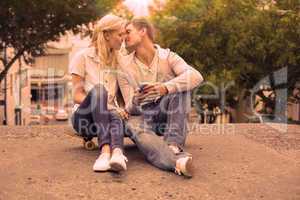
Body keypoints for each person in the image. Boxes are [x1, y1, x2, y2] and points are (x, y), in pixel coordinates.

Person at [118, 18, 203, 177]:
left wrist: (165, 88)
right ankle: (176, 161)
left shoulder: (168, 56)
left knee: (180, 88)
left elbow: (196, 76)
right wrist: (137, 99)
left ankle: (173, 144)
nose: (124, 37)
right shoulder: (124, 66)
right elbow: (129, 107)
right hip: (142, 117)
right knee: (132, 124)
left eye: (128, 32)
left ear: (143, 31)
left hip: (168, 119)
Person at [69, 14, 129, 172]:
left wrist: (120, 108)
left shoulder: (119, 60)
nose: (123, 38)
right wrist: (104, 105)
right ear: (107, 34)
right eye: (120, 34)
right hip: (84, 119)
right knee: (100, 90)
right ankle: (105, 151)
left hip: (107, 119)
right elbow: (76, 95)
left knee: (115, 114)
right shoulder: (82, 57)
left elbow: (124, 94)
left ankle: (117, 153)